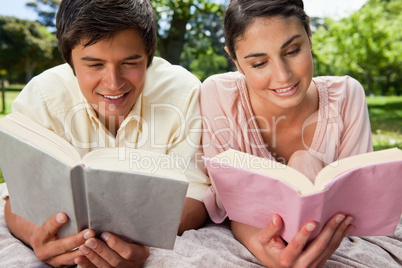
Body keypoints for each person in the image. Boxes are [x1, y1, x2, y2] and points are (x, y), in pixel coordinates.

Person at [3, 0, 210, 267]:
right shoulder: (42, 96)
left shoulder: (183, 92)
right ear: (70, 61)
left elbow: (196, 195)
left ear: (148, 57)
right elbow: (16, 199)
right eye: (94, 65)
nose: (113, 83)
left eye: (130, 62)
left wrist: (139, 237)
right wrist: (38, 237)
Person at [200, 0, 373, 267]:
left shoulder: (347, 95)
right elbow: (234, 205)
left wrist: (310, 165)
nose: (283, 76)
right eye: (258, 63)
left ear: (310, 37)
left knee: (305, 160)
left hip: (331, 234)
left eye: (292, 51)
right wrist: (268, 252)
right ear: (235, 60)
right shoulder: (220, 96)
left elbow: (358, 202)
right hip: (256, 236)